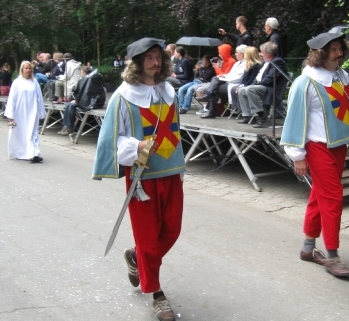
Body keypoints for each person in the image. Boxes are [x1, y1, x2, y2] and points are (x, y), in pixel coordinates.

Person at [92, 38, 186, 321]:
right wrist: (138, 146)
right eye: (149, 58)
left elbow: (175, 131)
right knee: (148, 239)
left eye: (158, 57)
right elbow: (112, 140)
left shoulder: (169, 91)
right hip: (143, 178)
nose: (156, 62)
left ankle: (136, 258)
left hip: (171, 171)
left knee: (171, 231)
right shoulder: (123, 96)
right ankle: (157, 294)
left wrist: (181, 168)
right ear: (136, 63)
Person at [281, 31, 349, 277]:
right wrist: (298, 156)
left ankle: (307, 248)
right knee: (333, 197)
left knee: (319, 196)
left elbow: (347, 107)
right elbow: (293, 119)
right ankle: (332, 256)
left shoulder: (343, 77)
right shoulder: (306, 82)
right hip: (316, 147)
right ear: (321, 53)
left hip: (338, 144)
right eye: (334, 49)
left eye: (340, 48)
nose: (339, 53)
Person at [236, 42, 287, 128]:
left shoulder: (278, 61)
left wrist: (256, 84)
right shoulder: (265, 61)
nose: (261, 54)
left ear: (269, 53)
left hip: (271, 88)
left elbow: (270, 79)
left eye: (262, 52)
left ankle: (261, 115)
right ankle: (247, 115)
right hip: (262, 86)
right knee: (242, 90)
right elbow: (258, 77)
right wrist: (251, 84)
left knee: (250, 89)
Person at [5, 61, 46, 162]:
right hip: (20, 111)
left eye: (29, 68)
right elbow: (12, 99)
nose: (28, 70)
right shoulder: (17, 82)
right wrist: (11, 114)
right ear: (22, 70)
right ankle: (22, 153)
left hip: (32, 111)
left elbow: (39, 98)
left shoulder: (35, 82)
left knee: (32, 133)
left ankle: (34, 153)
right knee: (22, 133)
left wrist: (41, 112)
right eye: (26, 68)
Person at [200, 45, 247, 118]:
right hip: (227, 80)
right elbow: (229, 73)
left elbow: (238, 77)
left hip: (234, 83)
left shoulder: (235, 62)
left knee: (215, 89)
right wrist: (224, 75)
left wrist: (218, 69)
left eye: (237, 52)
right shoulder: (237, 63)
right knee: (215, 83)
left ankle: (210, 108)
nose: (235, 54)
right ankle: (210, 105)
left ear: (242, 53)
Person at [229, 46, 263, 113]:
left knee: (239, 89)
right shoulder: (248, 64)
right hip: (246, 83)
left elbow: (252, 78)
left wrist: (243, 85)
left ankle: (243, 110)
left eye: (245, 54)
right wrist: (241, 84)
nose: (244, 55)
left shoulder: (257, 65)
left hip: (252, 84)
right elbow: (244, 77)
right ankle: (238, 108)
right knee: (234, 88)